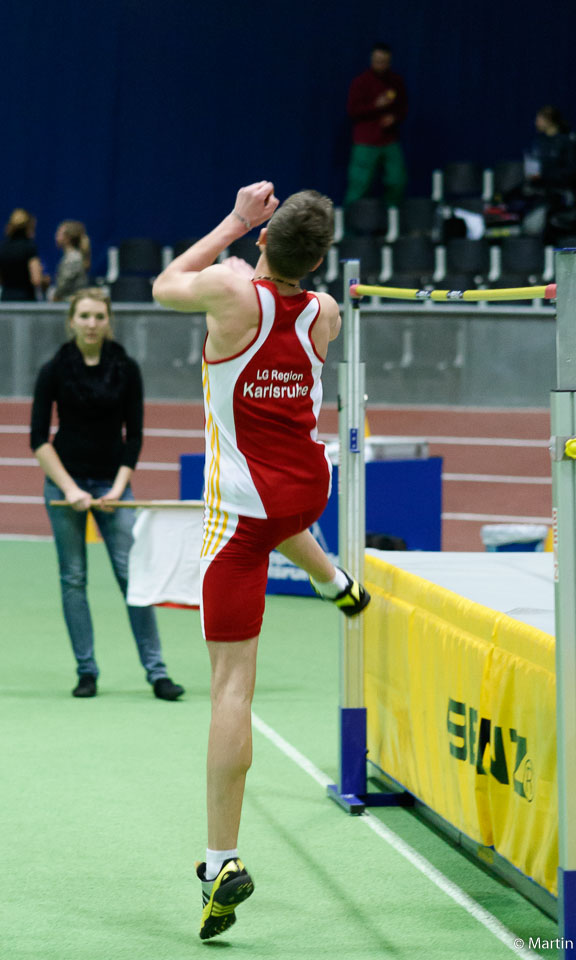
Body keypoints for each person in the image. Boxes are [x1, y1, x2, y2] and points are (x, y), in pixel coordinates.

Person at [152, 181, 370, 940]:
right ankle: (335, 576)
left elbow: (163, 283)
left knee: (230, 687)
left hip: (241, 517)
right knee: (283, 515)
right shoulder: (327, 314)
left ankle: (221, 862)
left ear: (267, 241)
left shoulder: (229, 291)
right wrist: (276, 245)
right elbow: (292, 296)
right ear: (320, 262)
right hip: (306, 492)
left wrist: (235, 220)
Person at [30, 287, 184, 702]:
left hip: (113, 487)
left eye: (99, 316)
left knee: (133, 579)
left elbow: (133, 437)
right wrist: (70, 489)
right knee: (73, 579)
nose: (92, 324)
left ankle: (157, 673)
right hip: (65, 488)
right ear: (71, 321)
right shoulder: (53, 370)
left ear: (108, 320)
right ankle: (87, 672)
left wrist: (117, 489)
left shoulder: (126, 368)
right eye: (84, 316)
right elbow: (38, 440)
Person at [345, 42, 408, 208]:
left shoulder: (396, 81)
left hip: (389, 139)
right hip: (365, 141)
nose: (380, 64)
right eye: (377, 60)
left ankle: (390, 223)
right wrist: (376, 105)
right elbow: (353, 111)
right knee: (359, 184)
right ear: (372, 59)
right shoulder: (361, 82)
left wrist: (394, 118)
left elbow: (403, 108)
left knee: (397, 180)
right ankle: (350, 227)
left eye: (384, 61)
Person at [0, 208, 44, 301]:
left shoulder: (2, 248)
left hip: (6, 298)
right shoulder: (29, 247)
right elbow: (36, 279)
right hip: (26, 299)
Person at [49, 220, 90, 301]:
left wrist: (55, 296)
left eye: (59, 234)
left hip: (69, 303)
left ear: (68, 238)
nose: (56, 237)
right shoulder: (70, 257)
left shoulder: (73, 258)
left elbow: (64, 284)